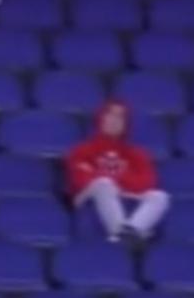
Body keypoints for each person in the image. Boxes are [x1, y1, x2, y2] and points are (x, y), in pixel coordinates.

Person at [66, 100, 170, 243]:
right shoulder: (82, 150)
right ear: (101, 118)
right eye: (110, 115)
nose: (115, 120)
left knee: (160, 196)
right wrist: (120, 179)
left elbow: (147, 183)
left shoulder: (137, 154)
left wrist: (112, 178)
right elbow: (81, 180)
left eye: (120, 117)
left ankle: (129, 232)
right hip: (87, 196)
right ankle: (124, 234)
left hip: (124, 192)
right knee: (103, 183)